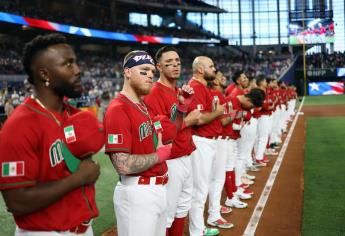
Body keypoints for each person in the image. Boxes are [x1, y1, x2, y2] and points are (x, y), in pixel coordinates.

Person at [0, 33, 101, 235]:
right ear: (45, 75)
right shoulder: (19, 125)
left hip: (83, 228)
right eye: (68, 64)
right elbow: (17, 201)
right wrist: (78, 178)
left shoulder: (74, 115)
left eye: (76, 62)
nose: (78, 70)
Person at [104, 50, 172, 236]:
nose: (150, 75)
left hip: (157, 189)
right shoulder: (118, 109)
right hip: (137, 193)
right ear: (127, 72)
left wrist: (180, 110)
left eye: (152, 71)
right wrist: (159, 156)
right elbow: (122, 164)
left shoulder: (144, 106)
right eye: (144, 71)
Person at [143, 46, 201, 236]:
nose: (175, 65)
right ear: (159, 67)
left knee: (183, 206)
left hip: (186, 154)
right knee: (167, 211)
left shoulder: (178, 90)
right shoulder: (154, 93)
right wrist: (188, 120)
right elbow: (158, 132)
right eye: (169, 63)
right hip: (170, 159)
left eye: (177, 61)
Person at [187, 56, 226, 236]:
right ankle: (196, 231)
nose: (215, 69)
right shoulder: (195, 87)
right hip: (200, 141)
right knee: (199, 189)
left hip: (207, 142)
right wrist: (218, 112)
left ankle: (199, 228)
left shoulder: (203, 87)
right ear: (201, 70)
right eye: (211, 66)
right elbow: (199, 118)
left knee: (202, 187)